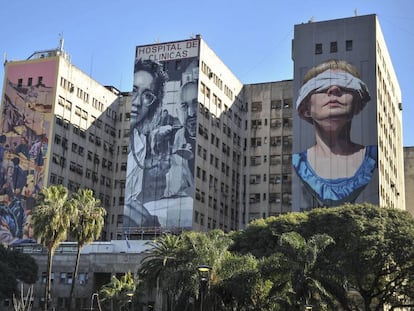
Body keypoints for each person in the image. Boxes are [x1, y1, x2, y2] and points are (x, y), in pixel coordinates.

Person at [292, 59, 377, 207]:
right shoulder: (297, 162)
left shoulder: (375, 157)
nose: (334, 89)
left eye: (346, 85)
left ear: (357, 105)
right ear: (306, 109)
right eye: (321, 86)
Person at [124, 59, 168, 228]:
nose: (137, 102)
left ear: (154, 103)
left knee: (150, 222)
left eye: (147, 95)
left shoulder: (140, 142)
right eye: (134, 91)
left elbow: (131, 197)